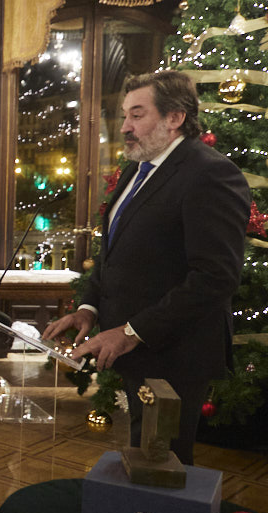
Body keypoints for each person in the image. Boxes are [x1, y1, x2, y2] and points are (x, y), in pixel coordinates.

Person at [43, 71, 249, 465]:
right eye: (124, 115)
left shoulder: (209, 173)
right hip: (136, 348)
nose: (125, 127)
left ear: (175, 117)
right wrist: (89, 308)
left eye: (137, 115)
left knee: (163, 465)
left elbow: (216, 277)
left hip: (175, 352)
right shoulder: (136, 170)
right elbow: (115, 252)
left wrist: (133, 331)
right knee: (143, 460)